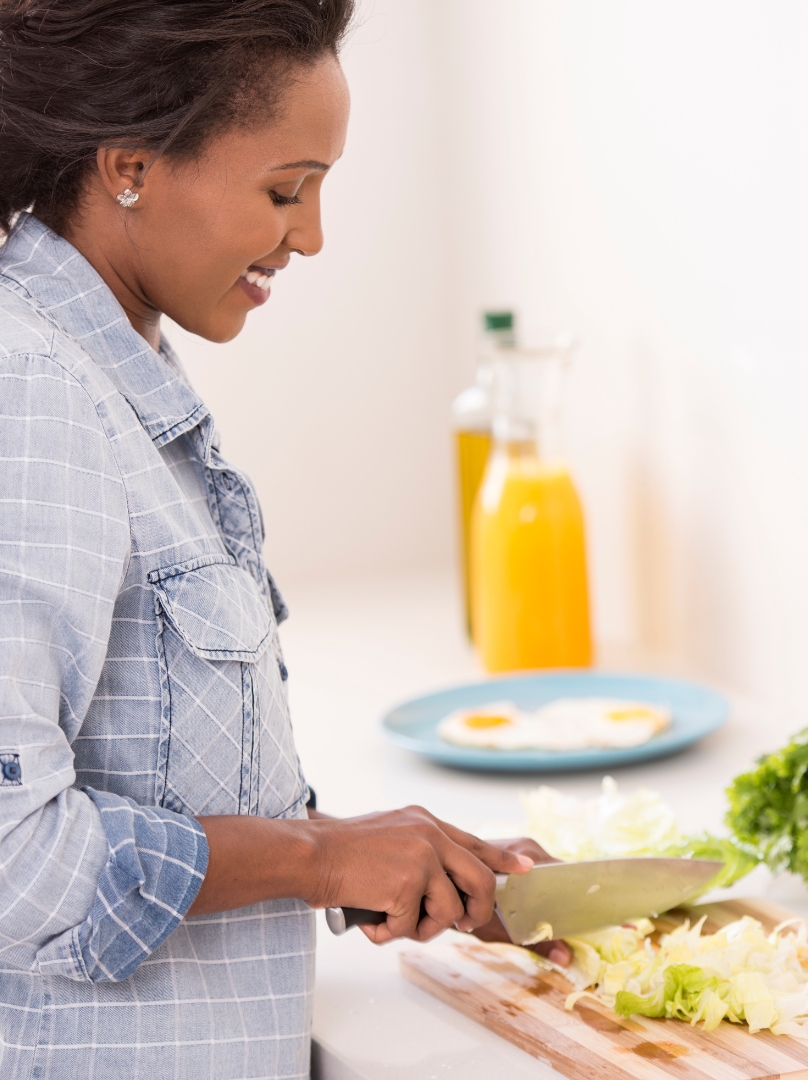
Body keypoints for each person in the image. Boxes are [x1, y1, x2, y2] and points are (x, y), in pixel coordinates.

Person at [0, 3, 563, 1078]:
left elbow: (148, 774)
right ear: (129, 165)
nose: (309, 235)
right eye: (284, 189)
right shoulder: (29, 390)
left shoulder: (118, 369)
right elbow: (12, 859)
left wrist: (377, 859)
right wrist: (316, 857)